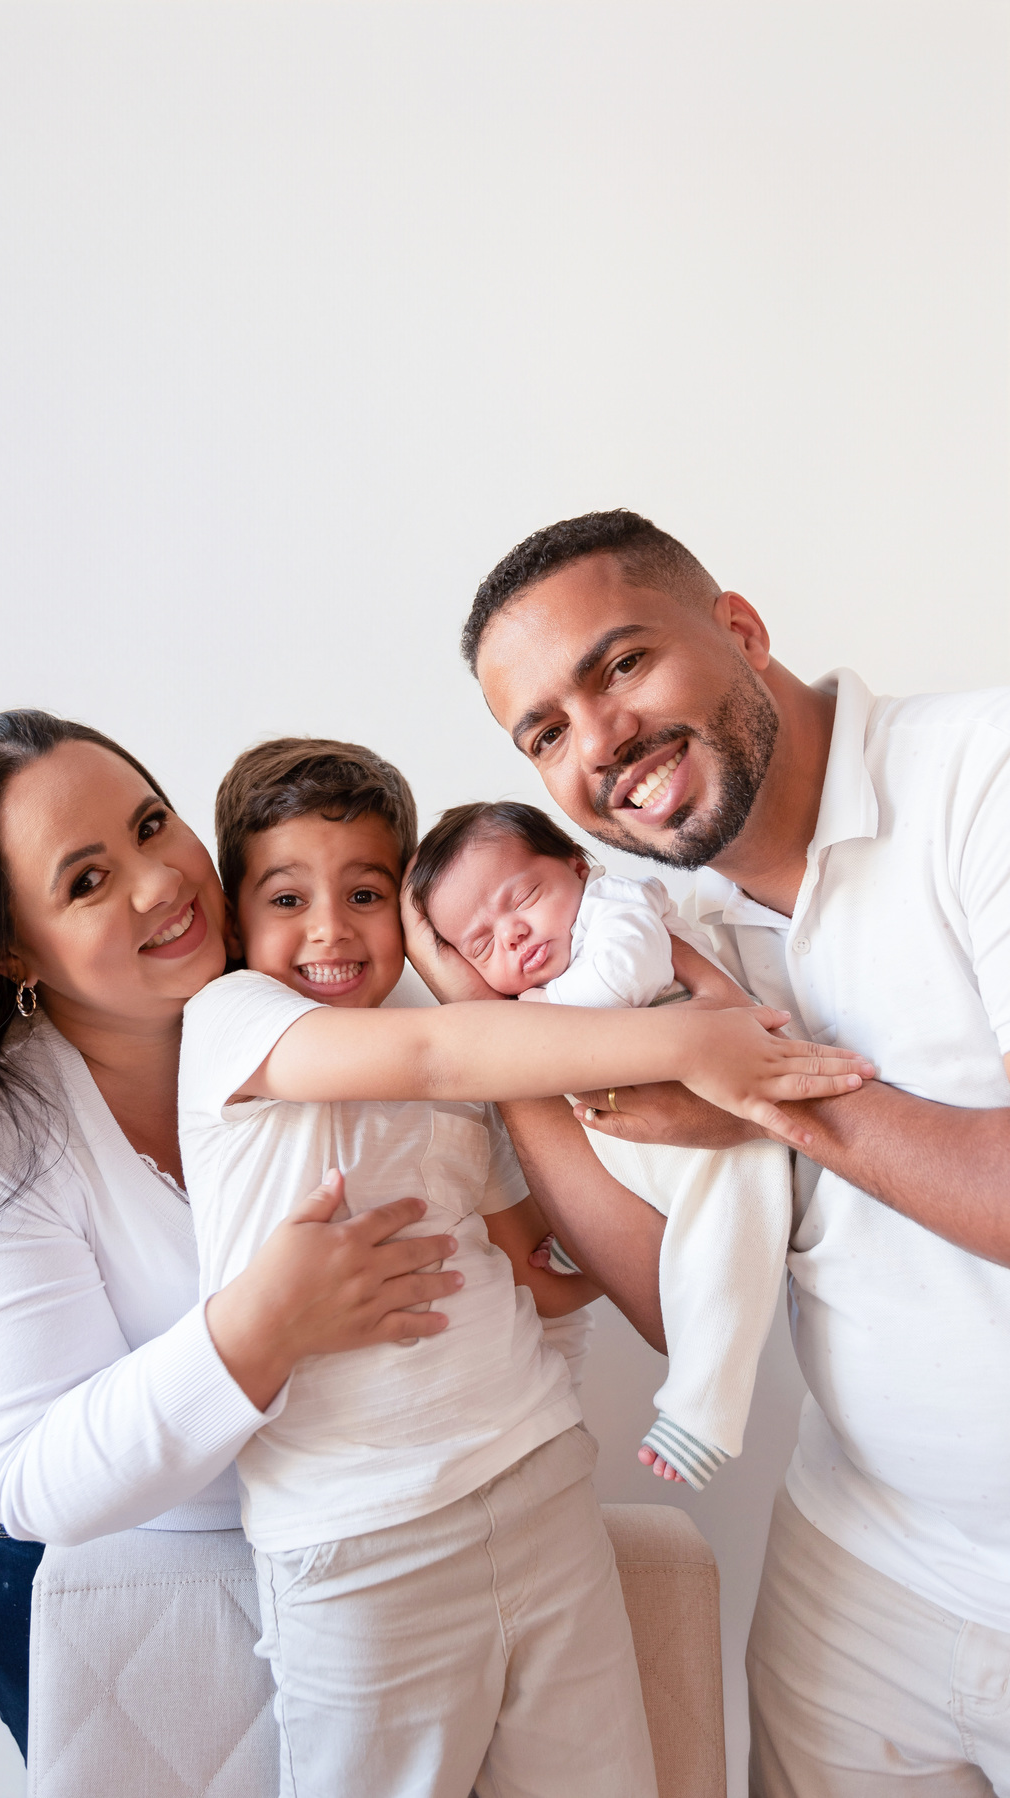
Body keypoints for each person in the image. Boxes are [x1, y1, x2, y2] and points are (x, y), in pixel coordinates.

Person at [178, 736, 870, 1798]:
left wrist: (614, 1225)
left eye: (367, 894)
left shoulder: (477, 1052)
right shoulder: (234, 1022)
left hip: (537, 1478)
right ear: (235, 919)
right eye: (285, 898)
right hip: (359, 1534)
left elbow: (542, 1273)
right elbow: (433, 1054)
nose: (329, 928)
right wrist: (689, 1044)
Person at [445, 507, 1010, 1796]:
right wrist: (502, 1033)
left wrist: (762, 1096)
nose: (600, 742)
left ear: (741, 629)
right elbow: (676, 1300)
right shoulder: (658, 936)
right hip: (864, 1561)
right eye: (545, 732)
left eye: (621, 664)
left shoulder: (983, 776)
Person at [0, 710, 463, 1761]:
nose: (161, 881)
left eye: (152, 824)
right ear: (13, 949)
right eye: (87, 880)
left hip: (309, 1528)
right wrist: (261, 1328)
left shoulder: (305, 968)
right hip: (71, 1561)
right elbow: (27, 1475)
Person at [407, 797, 794, 1492]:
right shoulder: (542, 981)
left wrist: (525, 1022)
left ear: (578, 867)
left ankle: (708, 1404)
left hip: (735, 1126)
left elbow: (623, 981)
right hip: (652, 1135)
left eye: (523, 898)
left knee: (732, 1211)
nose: (513, 935)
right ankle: (595, 1236)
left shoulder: (618, 907)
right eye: (483, 945)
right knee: (616, 1147)